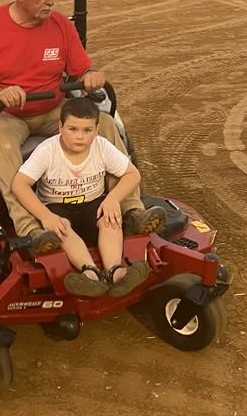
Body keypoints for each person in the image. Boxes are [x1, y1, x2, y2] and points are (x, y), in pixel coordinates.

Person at [0, 0, 165, 253]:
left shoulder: (61, 26)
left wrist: (92, 75)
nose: (51, 1)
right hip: (6, 112)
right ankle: (31, 229)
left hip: (53, 108)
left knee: (104, 122)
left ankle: (130, 210)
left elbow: (83, 69)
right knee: (2, 142)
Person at [12, 97, 151, 297]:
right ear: (60, 127)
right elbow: (19, 184)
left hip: (93, 203)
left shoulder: (102, 146)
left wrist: (112, 199)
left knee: (111, 219)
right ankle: (90, 274)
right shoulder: (48, 151)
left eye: (87, 131)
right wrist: (45, 216)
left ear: (96, 130)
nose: (80, 137)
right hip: (56, 207)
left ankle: (116, 272)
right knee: (62, 228)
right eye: (73, 129)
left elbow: (133, 174)